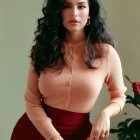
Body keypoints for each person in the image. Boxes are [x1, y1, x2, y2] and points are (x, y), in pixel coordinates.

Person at [11, 0, 127, 140]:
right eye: (67, 6)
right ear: (58, 12)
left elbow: (119, 96)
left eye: (81, 6)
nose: (74, 13)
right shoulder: (42, 51)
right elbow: (32, 102)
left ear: (90, 11)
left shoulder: (106, 54)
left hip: (79, 135)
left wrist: (105, 114)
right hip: (32, 132)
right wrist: (54, 138)